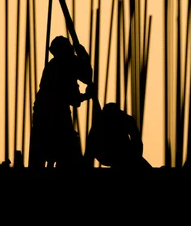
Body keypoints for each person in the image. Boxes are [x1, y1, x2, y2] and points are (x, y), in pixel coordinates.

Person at [29, 35, 95, 169]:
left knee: (45, 152)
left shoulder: (54, 65)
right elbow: (85, 78)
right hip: (54, 116)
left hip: (44, 115)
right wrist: (84, 56)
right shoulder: (65, 65)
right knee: (67, 152)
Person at [85, 102, 152, 170]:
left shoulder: (101, 120)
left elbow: (90, 144)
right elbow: (137, 142)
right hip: (117, 154)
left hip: (117, 155)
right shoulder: (124, 119)